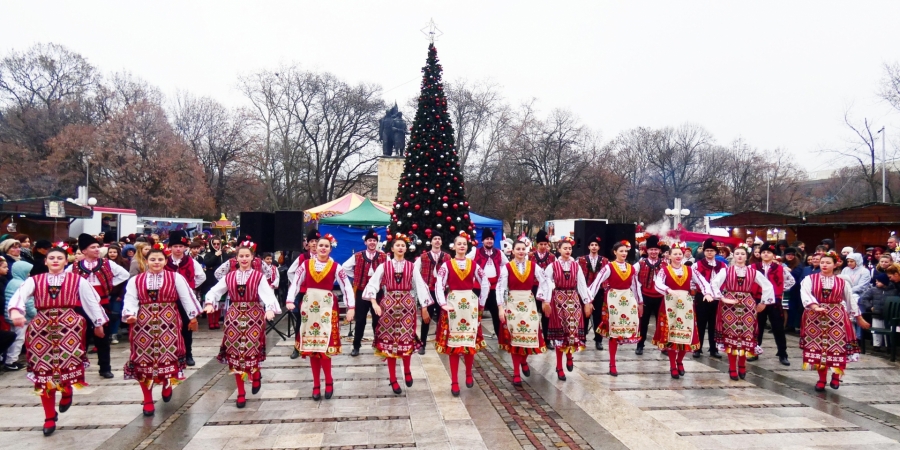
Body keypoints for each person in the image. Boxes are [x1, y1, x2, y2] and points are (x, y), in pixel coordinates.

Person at [7, 246, 108, 436]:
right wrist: (16, 312)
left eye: (59, 258)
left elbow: (91, 301)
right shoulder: (34, 280)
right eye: (51, 258)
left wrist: (98, 323)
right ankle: (49, 416)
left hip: (69, 327)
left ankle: (67, 390)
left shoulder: (77, 280)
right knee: (44, 373)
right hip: (41, 329)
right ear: (45, 262)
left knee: (67, 366)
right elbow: (18, 297)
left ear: (65, 262)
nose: (54, 261)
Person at [122, 248, 201, 416]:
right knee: (143, 361)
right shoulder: (136, 280)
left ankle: (167, 383)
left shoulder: (175, 277)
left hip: (169, 322)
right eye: (153, 259)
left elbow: (187, 296)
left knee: (168, 355)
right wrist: (130, 314)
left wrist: (192, 316)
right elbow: (130, 299)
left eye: (160, 259)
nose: (156, 262)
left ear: (165, 262)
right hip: (142, 324)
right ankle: (148, 399)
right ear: (147, 261)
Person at [204, 244, 280, 407]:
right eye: (241, 256)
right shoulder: (229, 277)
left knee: (251, 349)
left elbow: (268, 295)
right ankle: (240, 392)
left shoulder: (258, 277)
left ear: (252, 258)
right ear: (236, 258)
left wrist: (270, 309)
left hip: (254, 314)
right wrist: (210, 302)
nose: (244, 259)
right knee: (235, 354)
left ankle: (256, 373)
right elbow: (214, 291)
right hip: (234, 316)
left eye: (247, 256)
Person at [286, 234, 354, 400]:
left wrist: (350, 306)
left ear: (330, 249)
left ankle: (329, 380)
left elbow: (346, 287)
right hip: (309, 307)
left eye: (326, 246)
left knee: (324, 347)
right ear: (314, 247)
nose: (322, 248)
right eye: (320, 245)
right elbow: (295, 282)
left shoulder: (336, 267)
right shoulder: (306, 265)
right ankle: (316, 384)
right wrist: (290, 299)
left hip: (327, 307)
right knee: (312, 347)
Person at [362, 233, 430, 394]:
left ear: (406, 249)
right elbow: (372, 285)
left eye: (403, 246)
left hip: (407, 307)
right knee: (389, 342)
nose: (400, 248)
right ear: (392, 249)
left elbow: (420, 285)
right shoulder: (383, 266)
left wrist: (424, 306)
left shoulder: (411, 267)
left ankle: (407, 370)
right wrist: (374, 302)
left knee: (406, 340)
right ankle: (393, 379)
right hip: (388, 307)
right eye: (397, 245)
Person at [800, 251, 867, 391]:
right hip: (815, 318)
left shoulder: (842, 282)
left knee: (838, 347)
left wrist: (859, 317)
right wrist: (814, 306)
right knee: (819, 349)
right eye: (822, 262)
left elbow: (850, 300)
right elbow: (805, 293)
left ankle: (836, 376)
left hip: (837, 317)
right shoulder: (809, 279)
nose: (824, 265)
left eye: (828, 263)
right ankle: (822, 379)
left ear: (835, 265)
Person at [66, 234, 129, 378]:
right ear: (84, 251)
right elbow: (66, 279)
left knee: (103, 337)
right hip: (80, 304)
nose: (97, 250)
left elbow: (124, 274)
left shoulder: (107, 263)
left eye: (97, 247)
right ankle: (77, 367)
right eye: (92, 247)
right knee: (81, 336)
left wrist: (109, 284)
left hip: (102, 302)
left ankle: (105, 367)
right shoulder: (75, 266)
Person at [433, 233, 489, 396]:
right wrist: (443, 303)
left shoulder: (473, 264)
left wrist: (481, 302)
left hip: (470, 303)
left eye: (465, 244)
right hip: (453, 304)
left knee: (469, 341)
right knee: (454, 344)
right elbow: (439, 284)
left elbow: (484, 282)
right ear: (454, 247)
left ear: (467, 247)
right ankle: (455, 381)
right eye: (459, 244)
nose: (462, 246)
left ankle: (469, 374)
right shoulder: (447, 265)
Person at [710, 244, 775, 381]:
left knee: (746, 336)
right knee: (731, 336)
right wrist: (721, 297)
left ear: (746, 256)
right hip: (729, 305)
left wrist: (763, 302)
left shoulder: (754, 272)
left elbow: (767, 285)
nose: (740, 256)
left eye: (742, 254)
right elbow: (714, 283)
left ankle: (742, 365)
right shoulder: (726, 271)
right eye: (737, 253)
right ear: (734, 256)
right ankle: (733, 367)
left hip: (747, 305)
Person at [652, 244, 713, 378]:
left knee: (685, 333)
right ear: (669, 256)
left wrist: (707, 293)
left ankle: (680, 361)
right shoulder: (664, 270)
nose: (678, 256)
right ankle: (673, 364)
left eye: (680, 254)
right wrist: (668, 290)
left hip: (685, 304)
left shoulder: (690, 270)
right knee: (672, 334)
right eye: (675, 254)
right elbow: (658, 283)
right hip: (670, 303)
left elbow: (703, 281)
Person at [538, 236, 591, 381]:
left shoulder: (576, 265)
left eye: (569, 248)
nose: (568, 250)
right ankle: (559, 366)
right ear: (559, 250)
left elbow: (581, 284)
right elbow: (545, 283)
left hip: (573, 300)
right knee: (560, 334)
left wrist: (586, 301)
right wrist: (545, 301)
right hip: (558, 299)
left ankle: (569, 356)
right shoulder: (552, 266)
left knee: (572, 331)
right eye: (565, 248)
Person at [496, 240, 547, 386]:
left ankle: (524, 361)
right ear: (512, 251)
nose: (520, 251)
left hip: (529, 303)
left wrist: (544, 299)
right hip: (513, 303)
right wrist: (501, 307)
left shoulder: (533, 266)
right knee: (515, 338)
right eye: (518, 249)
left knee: (528, 335)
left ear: (527, 250)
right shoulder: (507, 268)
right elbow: (500, 288)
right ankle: (516, 373)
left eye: (523, 249)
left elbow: (545, 282)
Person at [589, 240, 643, 376]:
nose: (624, 253)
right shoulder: (609, 267)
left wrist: (640, 302)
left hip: (628, 298)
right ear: (615, 252)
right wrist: (588, 299)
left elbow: (636, 287)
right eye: (621, 251)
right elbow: (597, 283)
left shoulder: (632, 268)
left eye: (626, 251)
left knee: (625, 328)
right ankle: (612, 363)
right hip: (614, 299)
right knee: (613, 331)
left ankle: (614, 361)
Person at [164, 230, 206, 367]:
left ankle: (188, 354)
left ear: (185, 247)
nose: (178, 249)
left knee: (187, 327)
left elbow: (201, 276)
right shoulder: (164, 261)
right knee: (169, 326)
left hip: (185, 300)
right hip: (168, 300)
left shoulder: (191, 262)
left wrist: (189, 287)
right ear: (170, 247)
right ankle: (172, 354)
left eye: (181, 246)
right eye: (175, 246)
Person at [344, 229, 387, 357]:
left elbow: (389, 270)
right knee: (360, 320)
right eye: (370, 240)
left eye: (374, 240)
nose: (372, 243)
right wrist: (357, 276)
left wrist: (382, 280)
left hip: (377, 293)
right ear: (365, 242)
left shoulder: (384, 256)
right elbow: (345, 267)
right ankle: (356, 346)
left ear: (377, 242)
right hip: (362, 291)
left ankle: (379, 345)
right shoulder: (358, 256)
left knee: (378, 320)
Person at [751, 243, 795, 366]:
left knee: (778, 327)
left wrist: (778, 290)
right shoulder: (753, 267)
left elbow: (791, 281)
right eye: (764, 252)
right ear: (760, 254)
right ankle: (755, 351)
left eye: (769, 252)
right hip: (758, 300)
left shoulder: (780, 268)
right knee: (757, 327)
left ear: (773, 255)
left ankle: (782, 353)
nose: (766, 254)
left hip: (774, 301)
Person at [468, 228, 509, 339]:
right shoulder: (475, 252)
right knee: (475, 313)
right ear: (483, 241)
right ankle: (473, 338)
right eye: (487, 239)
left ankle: (501, 338)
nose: (489, 241)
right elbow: (466, 262)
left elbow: (508, 265)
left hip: (494, 289)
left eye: (491, 239)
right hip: (478, 288)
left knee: (496, 314)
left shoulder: (499, 253)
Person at [414, 232, 450, 354]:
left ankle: (442, 342)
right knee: (426, 318)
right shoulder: (423, 257)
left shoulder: (447, 257)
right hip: (428, 292)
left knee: (442, 318)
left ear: (441, 242)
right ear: (431, 241)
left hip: (441, 292)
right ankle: (422, 344)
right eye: (435, 239)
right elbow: (415, 272)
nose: (437, 241)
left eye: (439, 239)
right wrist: (420, 286)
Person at [286, 229, 320, 359]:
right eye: (312, 241)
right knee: (301, 321)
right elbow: (290, 272)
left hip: (319, 294)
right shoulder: (302, 257)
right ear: (308, 243)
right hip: (304, 293)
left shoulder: (324, 257)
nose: (314, 244)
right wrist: (298, 284)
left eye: (317, 241)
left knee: (318, 320)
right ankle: (297, 347)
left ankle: (316, 346)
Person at [693, 239, 725, 359]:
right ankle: (698, 348)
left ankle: (713, 348)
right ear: (704, 251)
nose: (710, 253)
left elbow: (725, 280)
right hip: (702, 296)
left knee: (714, 324)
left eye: (712, 250)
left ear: (716, 252)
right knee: (700, 323)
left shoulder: (722, 265)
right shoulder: (697, 265)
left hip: (716, 297)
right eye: (707, 250)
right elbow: (693, 280)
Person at [635, 236, 665, 355]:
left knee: (662, 323)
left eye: (656, 250)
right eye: (651, 249)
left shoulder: (665, 265)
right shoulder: (640, 264)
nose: (653, 252)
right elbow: (633, 278)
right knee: (643, 322)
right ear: (647, 251)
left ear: (659, 251)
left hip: (660, 298)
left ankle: (663, 346)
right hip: (645, 296)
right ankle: (640, 345)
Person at [577, 234, 608, 350]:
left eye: (596, 245)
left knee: (598, 317)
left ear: (599, 247)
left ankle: (598, 340)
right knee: (584, 315)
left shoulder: (604, 260)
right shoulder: (581, 260)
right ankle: (582, 339)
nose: (594, 247)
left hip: (599, 292)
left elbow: (607, 277)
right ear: (588, 247)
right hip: (585, 291)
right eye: (592, 245)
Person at [3, 260, 33, 371]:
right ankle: (11, 361)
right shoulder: (21, 284)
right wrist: (34, 314)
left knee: (16, 337)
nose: (29, 274)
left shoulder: (12, 282)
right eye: (27, 272)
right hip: (21, 317)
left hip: (11, 315)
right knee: (19, 339)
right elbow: (28, 303)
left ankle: (10, 359)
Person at [529, 230, 556, 348]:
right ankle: (534, 338)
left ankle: (547, 339)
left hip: (546, 289)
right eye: (541, 244)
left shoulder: (552, 257)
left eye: (545, 244)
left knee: (546, 314)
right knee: (533, 314)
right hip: (533, 287)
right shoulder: (530, 256)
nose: (543, 246)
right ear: (537, 244)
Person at [859, 271, 895, 351]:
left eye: (878, 281)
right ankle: (876, 345)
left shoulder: (893, 290)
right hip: (876, 313)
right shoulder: (873, 290)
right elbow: (864, 298)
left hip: (888, 315)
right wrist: (870, 307)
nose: (876, 282)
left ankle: (888, 346)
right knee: (876, 330)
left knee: (888, 329)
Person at [202, 237, 230, 329]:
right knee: (211, 300)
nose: (216, 246)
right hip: (210, 280)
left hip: (220, 280)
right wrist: (216, 255)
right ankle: (211, 321)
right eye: (214, 244)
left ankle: (216, 321)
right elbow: (207, 263)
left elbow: (226, 265)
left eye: (218, 244)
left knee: (219, 301)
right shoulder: (209, 254)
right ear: (211, 244)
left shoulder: (224, 255)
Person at [106, 245, 130, 344]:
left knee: (116, 314)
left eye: (114, 252)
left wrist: (121, 295)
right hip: (106, 293)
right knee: (107, 314)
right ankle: (107, 333)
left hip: (118, 293)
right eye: (110, 252)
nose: (112, 254)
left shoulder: (123, 263)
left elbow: (125, 281)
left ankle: (114, 333)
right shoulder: (103, 263)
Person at [785, 247, 805, 332]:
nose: (790, 256)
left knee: (792, 307)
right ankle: (784, 324)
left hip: (794, 290)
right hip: (784, 289)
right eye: (788, 254)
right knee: (784, 307)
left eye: (792, 254)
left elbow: (796, 275)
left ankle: (791, 325)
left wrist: (788, 271)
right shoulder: (782, 263)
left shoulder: (798, 264)